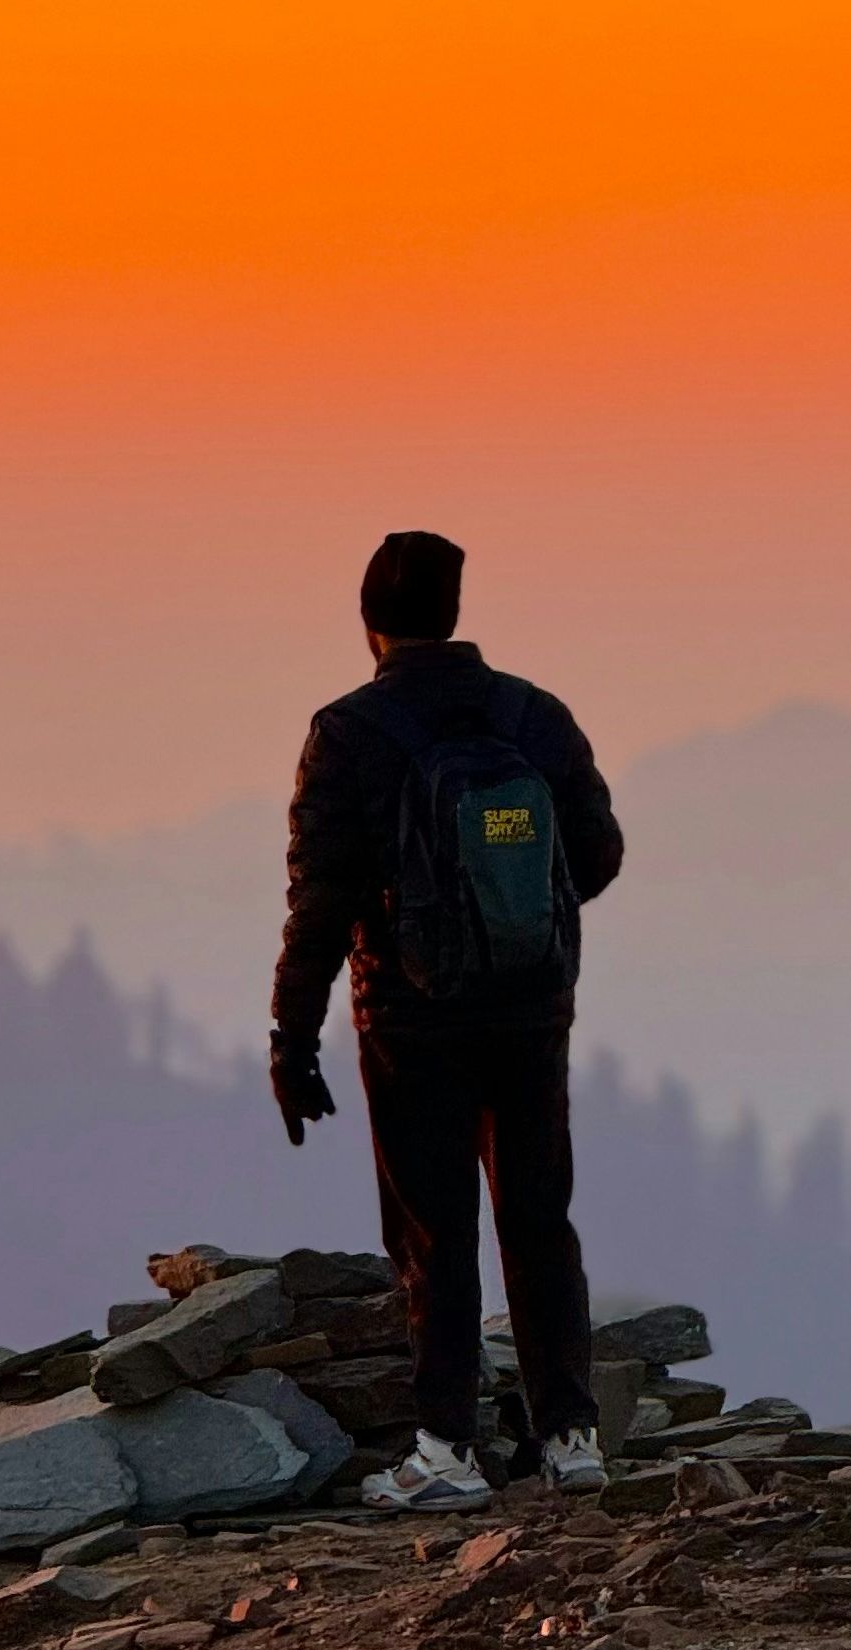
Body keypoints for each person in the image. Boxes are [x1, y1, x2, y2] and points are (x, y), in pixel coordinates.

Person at [270, 530, 625, 1511]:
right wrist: (508, 916)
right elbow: (595, 852)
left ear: (367, 620)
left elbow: (320, 899)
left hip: (409, 1014)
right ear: (456, 610)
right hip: (529, 1004)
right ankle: (570, 1435)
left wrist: (291, 1037)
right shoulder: (533, 715)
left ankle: (445, 1448)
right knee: (537, 1215)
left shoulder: (347, 730)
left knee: (433, 1228)